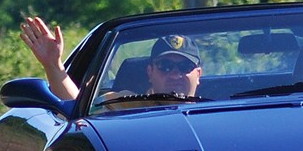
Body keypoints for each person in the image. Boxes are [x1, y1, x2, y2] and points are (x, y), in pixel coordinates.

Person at [19, 16, 203, 101]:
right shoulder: (123, 105)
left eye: (185, 67)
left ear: (198, 74)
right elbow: (75, 110)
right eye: (165, 66)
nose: (175, 74)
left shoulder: (216, 108)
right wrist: (53, 65)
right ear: (150, 72)